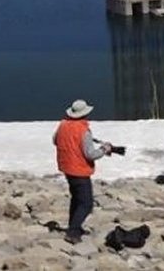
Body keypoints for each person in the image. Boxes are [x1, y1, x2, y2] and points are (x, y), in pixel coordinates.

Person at [52, 99, 120, 244]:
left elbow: (55, 140)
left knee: (76, 199)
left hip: (67, 168)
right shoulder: (84, 131)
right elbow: (90, 154)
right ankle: (73, 232)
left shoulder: (63, 125)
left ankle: (73, 226)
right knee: (86, 204)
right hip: (79, 171)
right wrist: (104, 149)